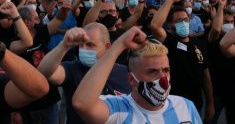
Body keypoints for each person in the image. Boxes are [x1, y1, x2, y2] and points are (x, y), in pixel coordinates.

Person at [72, 27, 202, 123]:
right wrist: (120, 45)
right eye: (152, 71)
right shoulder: (118, 109)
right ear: (131, 79)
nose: (163, 79)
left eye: (166, 70)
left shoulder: (185, 106)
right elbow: (82, 104)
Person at [38, 23, 132, 124]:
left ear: (107, 47)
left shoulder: (125, 73)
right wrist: (64, 45)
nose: (84, 50)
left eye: (90, 45)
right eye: (81, 45)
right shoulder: (72, 69)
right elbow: (44, 72)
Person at [150, 0, 214, 119]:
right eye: (179, 21)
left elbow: (206, 75)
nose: (183, 23)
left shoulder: (197, 42)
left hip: (196, 103)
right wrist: (171, 0)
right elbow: (155, 26)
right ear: (170, 25)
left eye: (185, 20)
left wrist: (210, 103)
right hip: (172, 103)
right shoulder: (169, 40)